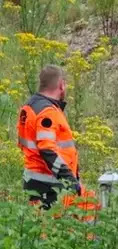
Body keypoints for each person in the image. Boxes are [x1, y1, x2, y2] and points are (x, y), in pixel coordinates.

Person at [17, 65, 81, 209]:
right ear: (61, 85)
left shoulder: (29, 107)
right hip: (49, 184)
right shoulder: (48, 112)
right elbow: (47, 150)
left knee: (39, 226)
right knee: (53, 228)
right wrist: (68, 179)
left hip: (34, 179)